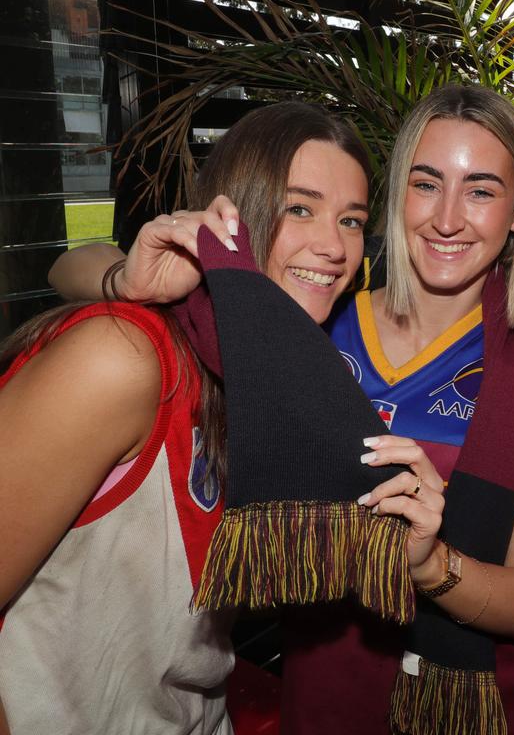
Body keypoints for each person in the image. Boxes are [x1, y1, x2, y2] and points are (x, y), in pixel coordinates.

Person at [50, 84, 514, 735]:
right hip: (319, 688)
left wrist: (428, 564)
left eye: (482, 190)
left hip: (472, 705)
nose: (446, 218)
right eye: (426, 183)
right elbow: (78, 267)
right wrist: (119, 277)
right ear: (397, 197)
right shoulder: (314, 321)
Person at [0, 100, 372, 734]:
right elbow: (73, 264)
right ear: (235, 215)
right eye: (300, 208)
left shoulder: (290, 379)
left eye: (353, 220)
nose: (334, 247)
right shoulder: (125, 358)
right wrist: (120, 277)